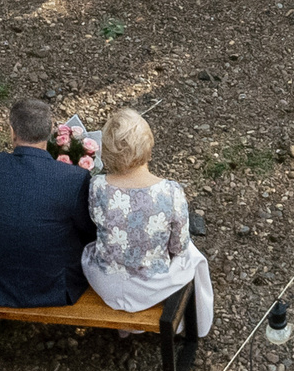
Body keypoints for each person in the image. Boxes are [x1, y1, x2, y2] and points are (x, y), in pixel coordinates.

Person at [83, 108, 214, 335]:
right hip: (150, 286)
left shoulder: (98, 185)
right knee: (193, 255)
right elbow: (178, 247)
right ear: (148, 146)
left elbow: (97, 223)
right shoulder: (170, 191)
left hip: (106, 282)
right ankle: (196, 324)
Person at [0, 97, 97, 308]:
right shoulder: (74, 177)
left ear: (12, 131)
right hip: (57, 284)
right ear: (50, 130)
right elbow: (86, 230)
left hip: (1, 281)